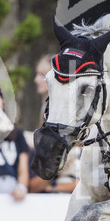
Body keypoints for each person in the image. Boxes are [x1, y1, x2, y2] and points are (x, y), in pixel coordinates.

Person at [27, 55, 79, 194]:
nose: (36, 80)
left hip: (71, 172)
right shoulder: (45, 105)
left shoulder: (65, 105)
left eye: (41, 75)